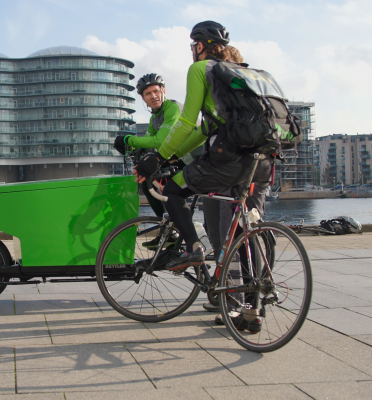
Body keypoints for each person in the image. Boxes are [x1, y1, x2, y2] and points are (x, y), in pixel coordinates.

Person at [134, 21, 273, 333]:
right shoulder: (242, 75)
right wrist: (172, 156)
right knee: (243, 234)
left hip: (231, 161)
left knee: (173, 191)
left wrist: (158, 157)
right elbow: (204, 130)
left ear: (199, 46)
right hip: (263, 160)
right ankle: (251, 311)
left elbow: (187, 122)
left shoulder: (200, 70)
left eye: (192, 46)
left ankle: (194, 248)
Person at [113, 73, 183, 247]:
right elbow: (148, 142)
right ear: (143, 98)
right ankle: (168, 229)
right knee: (146, 179)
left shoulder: (172, 108)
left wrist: (129, 139)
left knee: (171, 190)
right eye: (148, 94)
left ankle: (176, 231)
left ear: (163, 91)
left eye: (156, 91)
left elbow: (159, 141)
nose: (153, 96)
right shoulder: (154, 118)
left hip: (193, 159)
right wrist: (130, 147)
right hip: (177, 161)